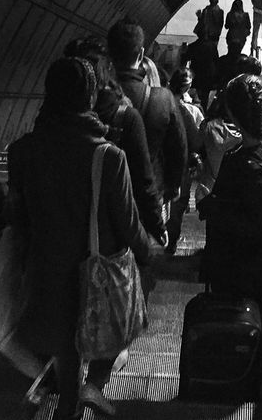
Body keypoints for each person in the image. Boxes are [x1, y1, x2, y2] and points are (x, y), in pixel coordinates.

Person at [8, 57, 157, 420]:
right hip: (97, 261)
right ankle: (92, 387)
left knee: (65, 334)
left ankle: (68, 404)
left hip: (46, 262)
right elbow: (127, 220)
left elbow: (18, 215)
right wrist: (148, 251)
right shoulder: (108, 155)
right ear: (90, 95)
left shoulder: (22, 150)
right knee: (116, 323)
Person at [196, 75, 262, 304]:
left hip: (241, 271)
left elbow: (258, 225)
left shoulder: (253, 165)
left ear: (232, 112)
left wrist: (209, 205)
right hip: (261, 267)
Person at [65, 37, 165, 245]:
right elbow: (143, 178)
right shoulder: (125, 118)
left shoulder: (47, 128)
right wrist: (156, 225)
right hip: (109, 236)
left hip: (59, 240)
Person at [108, 19, 188, 242]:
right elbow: (178, 148)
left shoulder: (98, 96)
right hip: (150, 195)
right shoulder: (162, 99)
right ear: (141, 54)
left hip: (105, 195)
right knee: (143, 256)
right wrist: (172, 187)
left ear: (110, 54)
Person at [166, 66, 205, 252]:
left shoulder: (159, 103)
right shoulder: (185, 111)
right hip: (180, 170)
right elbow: (196, 141)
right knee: (176, 209)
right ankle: (170, 245)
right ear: (187, 87)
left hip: (160, 167)